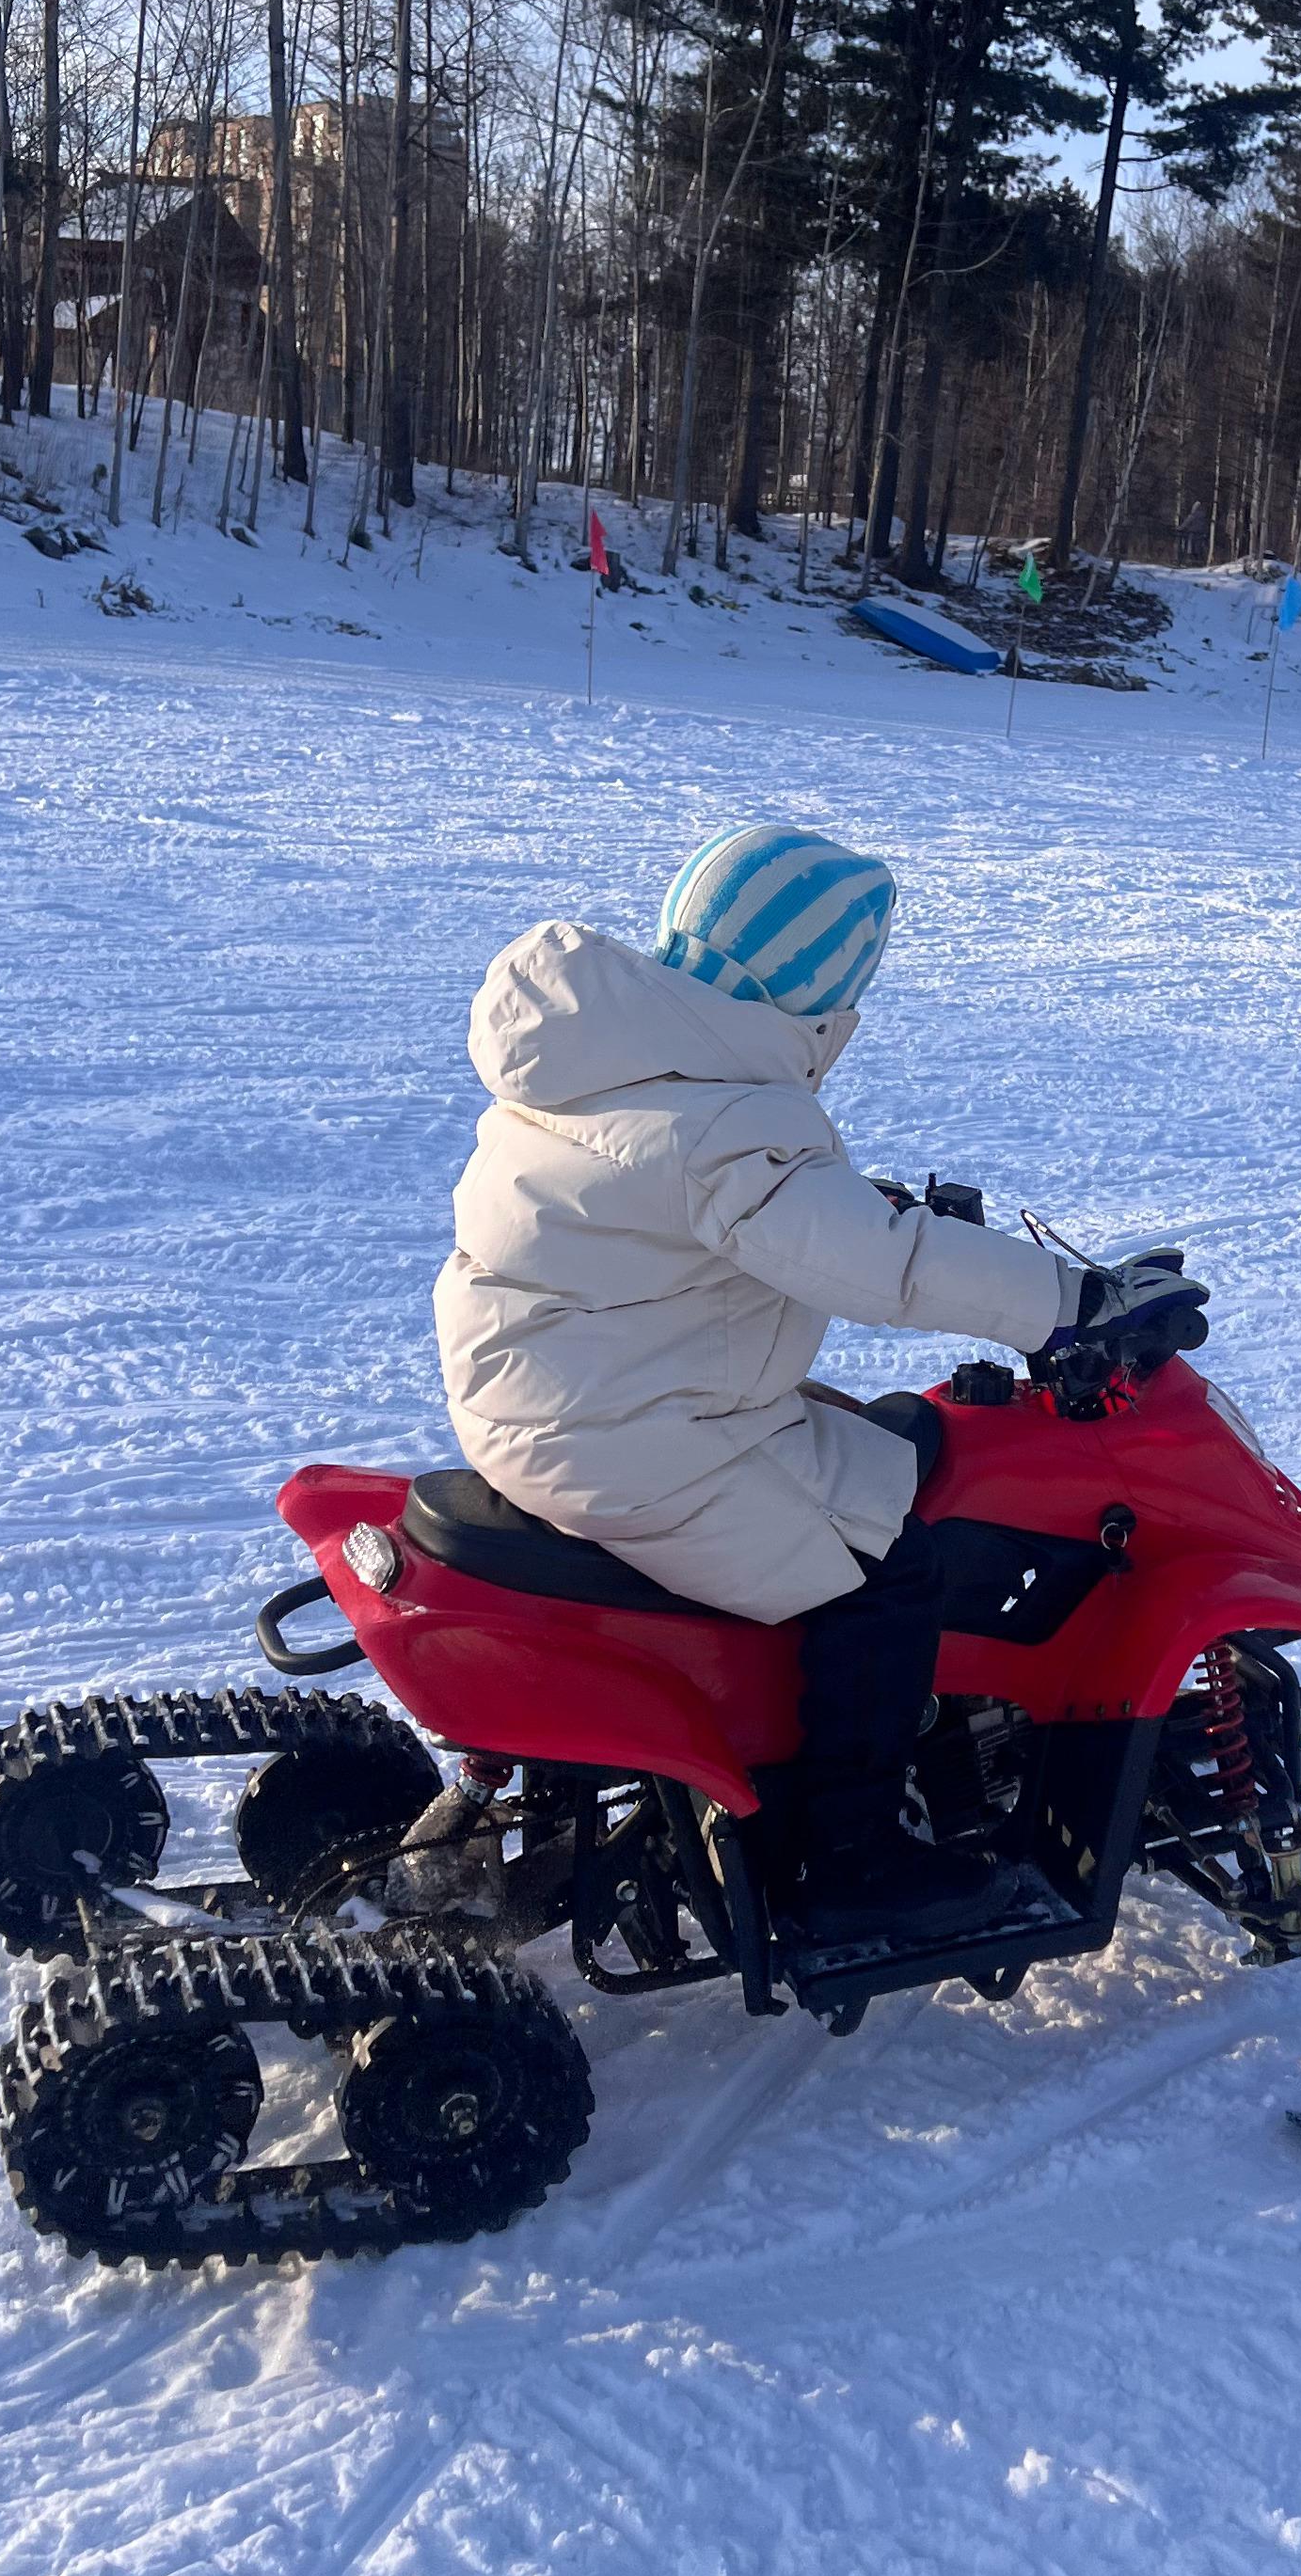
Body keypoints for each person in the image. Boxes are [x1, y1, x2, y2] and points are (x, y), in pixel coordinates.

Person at [428, 822, 1196, 1942]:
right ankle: (851, 1863)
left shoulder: (613, 1049)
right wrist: (1075, 1306)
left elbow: (689, 1207)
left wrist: (853, 1200)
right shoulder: (736, 1121)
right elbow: (882, 1264)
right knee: (885, 1570)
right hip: (629, 1431)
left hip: (566, 1389)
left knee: (892, 1443)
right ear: (822, 993)